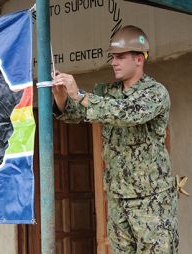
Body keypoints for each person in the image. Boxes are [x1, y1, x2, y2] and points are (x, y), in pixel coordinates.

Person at [52, 25, 179, 253]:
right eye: (112, 57)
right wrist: (62, 97)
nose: (114, 62)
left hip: (151, 201)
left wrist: (79, 94)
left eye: (120, 57)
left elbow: (125, 113)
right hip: (118, 198)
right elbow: (75, 113)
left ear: (139, 59)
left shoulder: (155, 93)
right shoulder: (106, 92)